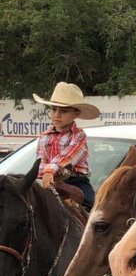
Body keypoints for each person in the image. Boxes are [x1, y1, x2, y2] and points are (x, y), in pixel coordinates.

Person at [33, 82, 101, 211]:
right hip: (49, 180)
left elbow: (69, 155)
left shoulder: (79, 135)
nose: (57, 115)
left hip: (75, 180)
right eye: (54, 109)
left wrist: (50, 170)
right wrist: (40, 177)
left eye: (64, 111)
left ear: (76, 114)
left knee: (92, 206)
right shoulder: (44, 136)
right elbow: (41, 160)